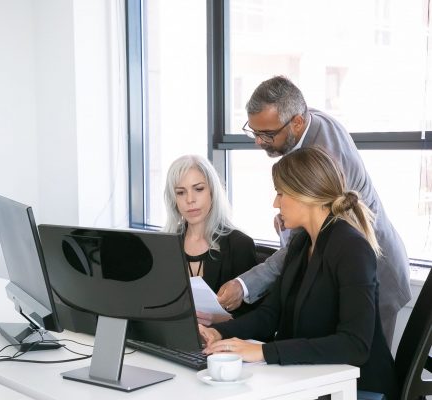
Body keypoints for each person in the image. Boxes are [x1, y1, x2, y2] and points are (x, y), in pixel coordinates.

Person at [217, 75, 411, 347]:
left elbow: (297, 244)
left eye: (268, 134)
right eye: (254, 131)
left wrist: (245, 285)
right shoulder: (305, 122)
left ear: (297, 122)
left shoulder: (325, 157)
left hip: (375, 269)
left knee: (363, 370)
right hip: (343, 264)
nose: (258, 142)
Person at [200, 147, 399, 399]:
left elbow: (354, 345)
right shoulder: (301, 242)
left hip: (357, 387)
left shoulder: (351, 248)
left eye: (280, 193)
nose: (275, 203)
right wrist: (221, 334)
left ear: (307, 195)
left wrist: (263, 353)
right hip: (311, 379)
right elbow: (270, 314)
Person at [164, 154, 257, 322]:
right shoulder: (166, 245)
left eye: (198, 189)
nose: (190, 200)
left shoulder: (239, 244)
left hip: (223, 342)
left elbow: (255, 319)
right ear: (174, 199)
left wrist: (217, 319)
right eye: (180, 192)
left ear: (212, 192)